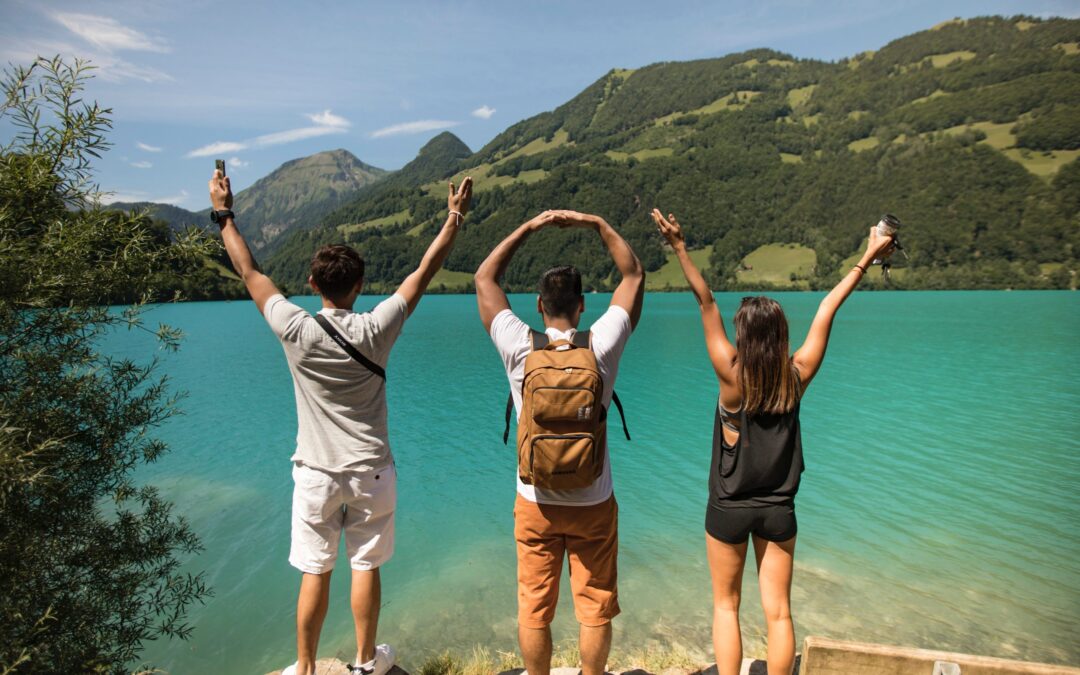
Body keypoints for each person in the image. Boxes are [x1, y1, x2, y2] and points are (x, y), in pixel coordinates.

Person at [208, 169, 472, 675]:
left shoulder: (295, 329)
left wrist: (224, 214)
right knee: (366, 564)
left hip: (315, 473)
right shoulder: (377, 328)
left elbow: (249, 272)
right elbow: (424, 271)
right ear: (360, 285)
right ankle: (366, 661)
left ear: (311, 285)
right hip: (372, 470)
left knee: (314, 569)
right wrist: (454, 217)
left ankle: (305, 668)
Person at [650, 209, 895, 675]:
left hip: (728, 506)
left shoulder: (730, 374)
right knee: (778, 611)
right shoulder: (796, 377)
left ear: (743, 336)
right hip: (779, 509)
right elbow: (827, 308)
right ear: (781, 337)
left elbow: (705, 303)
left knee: (726, 606)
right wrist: (867, 255)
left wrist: (679, 247)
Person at [474, 210, 645, 675]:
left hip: (535, 501)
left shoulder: (518, 344)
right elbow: (634, 274)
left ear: (538, 305)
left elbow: (485, 277)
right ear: (583, 304)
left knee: (534, 607)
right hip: (593, 499)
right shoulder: (602, 343)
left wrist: (529, 227)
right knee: (594, 607)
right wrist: (597, 224)